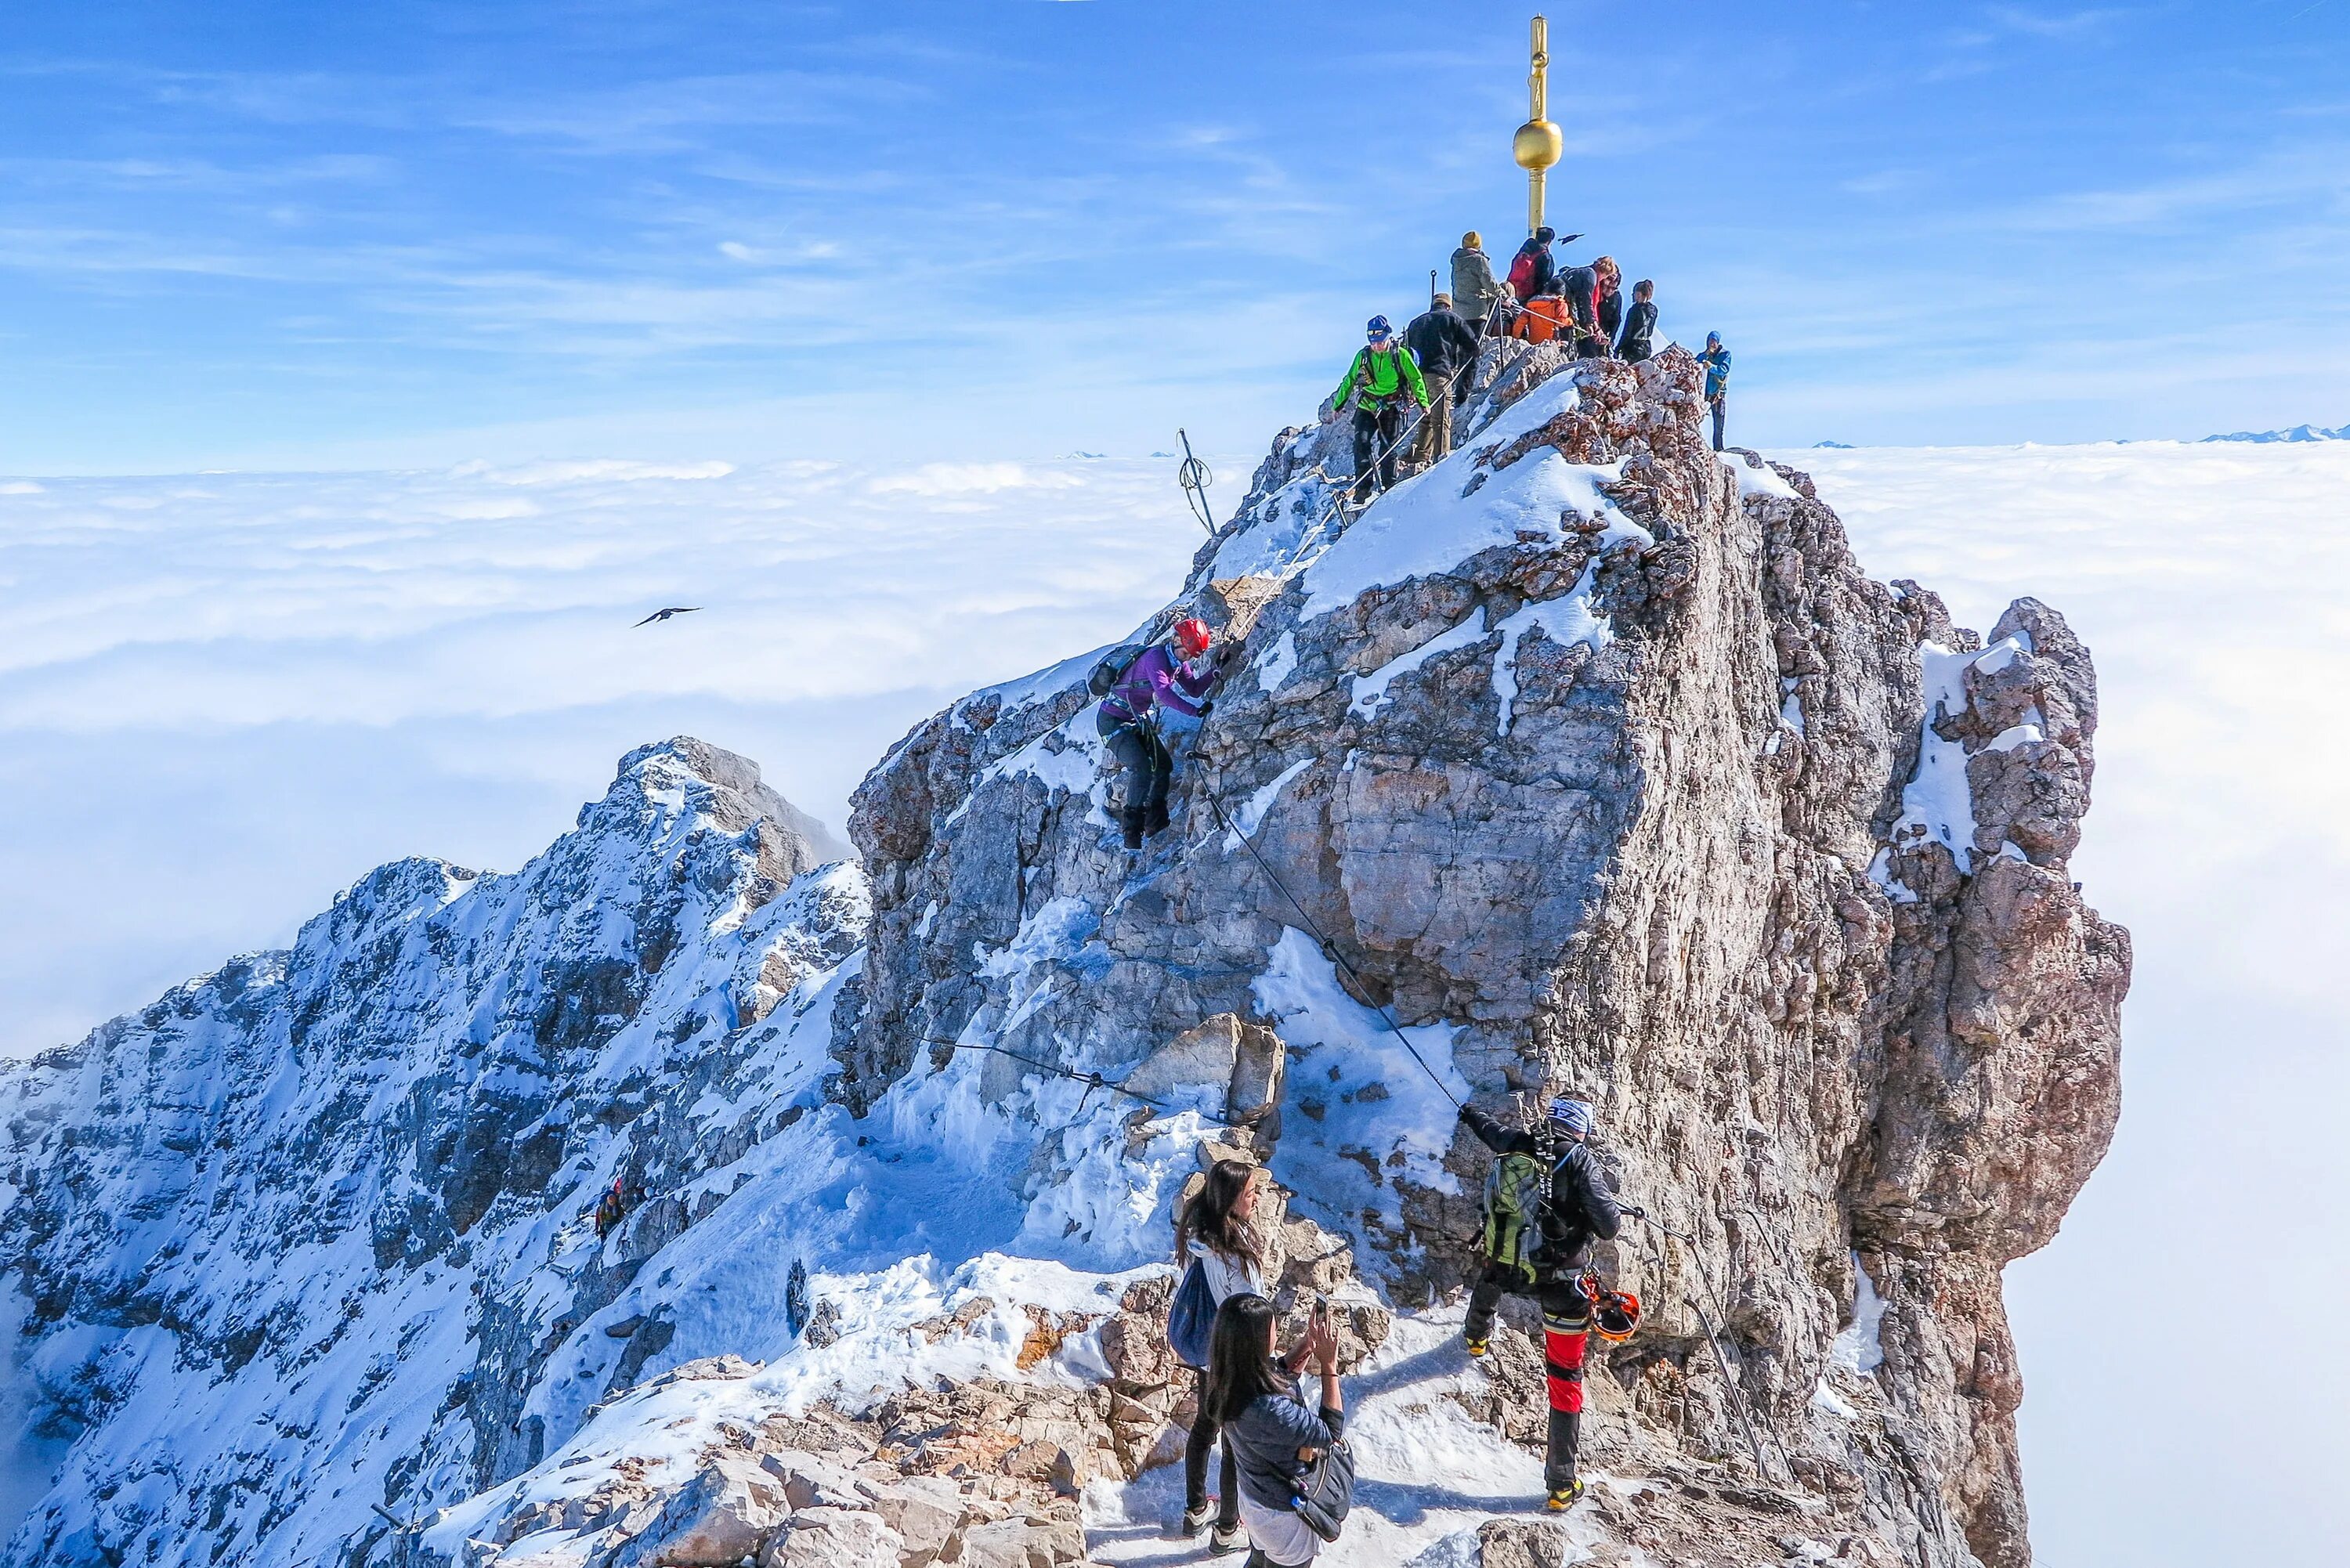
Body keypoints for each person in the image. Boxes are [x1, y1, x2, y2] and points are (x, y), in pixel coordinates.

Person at [1458, 1095, 1625, 1512]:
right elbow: (1609, 1227)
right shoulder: (1582, 1162)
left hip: (1511, 1265)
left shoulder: (1519, 1142)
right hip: (1563, 1286)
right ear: (1581, 1128)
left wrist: (1469, 1112)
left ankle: (1476, 1338)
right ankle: (1560, 1485)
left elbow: (1488, 1131)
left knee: (1490, 1274)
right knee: (1565, 1380)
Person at [1175, 1162, 1274, 1546]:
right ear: (1232, 1199)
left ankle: (1195, 1509)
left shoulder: (1199, 1232)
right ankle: (1228, 1529)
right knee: (1234, 1441)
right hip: (1237, 1356)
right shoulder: (1235, 1252)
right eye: (1251, 1193)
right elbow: (1253, 1309)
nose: (1257, 1198)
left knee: (1204, 1427)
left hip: (1208, 1350)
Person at [1207, 1292, 1343, 1567]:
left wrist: (1308, 1343)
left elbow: (1279, 1372)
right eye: (1272, 1327)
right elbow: (1330, 1432)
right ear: (1256, 1341)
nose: (1277, 1331)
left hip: (1255, 1501)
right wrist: (1329, 1367)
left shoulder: (1228, 1377)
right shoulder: (1266, 1409)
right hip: (1282, 1519)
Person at [1096, 616, 1220, 850]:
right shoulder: (1156, 658)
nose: (1188, 659)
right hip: (1111, 722)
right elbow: (1164, 694)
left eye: (1192, 656)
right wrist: (1195, 713)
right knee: (1140, 767)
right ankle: (1131, 831)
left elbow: (1193, 689)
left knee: (1163, 765)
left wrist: (1215, 671)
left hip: (1134, 720)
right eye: (1186, 654)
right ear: (1175, 641)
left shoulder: (1176, 663)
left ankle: (1156, 822)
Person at [1323, 316, 1429, 501]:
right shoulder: (1363, 356)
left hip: (1391, 406)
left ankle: (1389, 487)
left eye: (1380, 342)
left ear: (1388, 337)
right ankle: (1363, 490)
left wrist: (1423, 402)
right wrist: (1337, 405)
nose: (1377, 346)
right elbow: (1350, 380)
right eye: (1373, 342)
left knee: (1388, 448)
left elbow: (1415, 378)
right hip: (1367, 406)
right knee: (1361, 444)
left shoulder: (1400, 355)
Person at [1403, 294, 1481, 464]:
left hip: (1416, 377)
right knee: (1441, 420)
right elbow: (1471, 344)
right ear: (1448, 306)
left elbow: (1404, 352)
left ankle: (1421, 455)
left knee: (1426, 416)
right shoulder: (1452, 319)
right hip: (1439, 374)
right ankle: (1441, 460)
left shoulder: (1415, 323)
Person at [1449, 231, 1509, 338]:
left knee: (1463, 346)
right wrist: (1503, 296)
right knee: (1476, 343)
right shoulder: (1479, 260)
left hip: (1459, 310)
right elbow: (1489, 283)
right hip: (1476, 311)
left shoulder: (1457, 261)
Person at [1508, 280, 1571, 346]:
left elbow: (1520, 322)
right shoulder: (1560, 304)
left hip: (1533, 344)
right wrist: (1570, 322)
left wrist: (1515, 337)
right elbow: (1561, 323)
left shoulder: (1532, 303)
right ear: (1562, 294)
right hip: (1551, 345)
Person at [1697, 331, 1731, 450]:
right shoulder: (1705, 355)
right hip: (1704, 394)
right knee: (1696, 420)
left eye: (1713, 341)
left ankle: (1719, 449)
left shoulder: (1725, 354)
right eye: (1709, 341)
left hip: (1718, 395)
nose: (1711, 343)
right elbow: (1695, 364)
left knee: (1718, 425)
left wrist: (1711, 366)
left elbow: (1724, 370)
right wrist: (1705, 356)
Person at [1506, 226, 1557, 303]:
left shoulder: (1525, 248)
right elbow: (1545, 280)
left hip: (1512, 290)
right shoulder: (1545, 257)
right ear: (1549, 241)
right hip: (1530, 295)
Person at [1615, 279, 1658, 364]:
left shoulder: (1634, 310)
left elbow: (1627, 332)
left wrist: (1619, 348)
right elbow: (1650, 332)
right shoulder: (1654, 310)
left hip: (1632, 349)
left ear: (1638, 294)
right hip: (1646, 348)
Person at [1593, 258, 1623, 358]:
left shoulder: (1617, 297)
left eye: (1613, 288)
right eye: (1608, 287)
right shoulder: (1595, 291)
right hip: (1591, 332)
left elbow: (1616, 319)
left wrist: (1611, 338)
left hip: (1604, 335)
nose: (1610, 291)